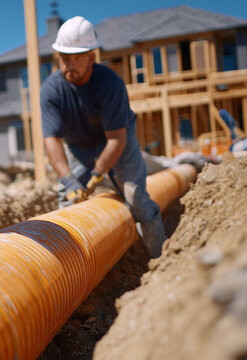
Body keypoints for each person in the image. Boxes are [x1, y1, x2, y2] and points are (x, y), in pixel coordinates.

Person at [40, 16, 166, 258]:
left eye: (77, 58)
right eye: (65, 58)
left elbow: (117, 140)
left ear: (92, 57)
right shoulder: (51, 90)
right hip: (77, 142)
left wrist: (97, 174)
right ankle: (73, 267)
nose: (70, 65)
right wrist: (69, 180)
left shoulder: (109, 83)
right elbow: (52, 140)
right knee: (68, 199)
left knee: (135, 196)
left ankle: (160, 258)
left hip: (117, 137)